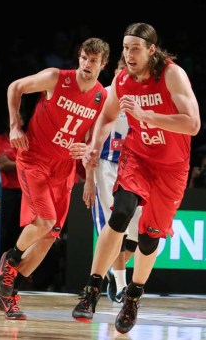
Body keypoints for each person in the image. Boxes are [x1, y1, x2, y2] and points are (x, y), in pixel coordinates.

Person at [72, 22, 201, 334]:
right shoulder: (122, 79)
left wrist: (147, 116)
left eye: (135, 48)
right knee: (120, 213)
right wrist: (95, 146)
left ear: (151, 50)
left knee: (148, 237)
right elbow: (105, 117)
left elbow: (193, 124)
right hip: (138, 158)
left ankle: (133, 295)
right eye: (126, 47)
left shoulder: (171, 74)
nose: (128, 54)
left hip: (171, 168)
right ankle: (91, 289)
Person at [0, 37, 111, 320]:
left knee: (49, 237)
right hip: (34, 159)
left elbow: (90, 140)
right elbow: (15, 87)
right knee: (43, 222)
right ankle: (9, 262)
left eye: (93, 60)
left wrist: (89, 165)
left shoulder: (101, 98)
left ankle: (8, 294)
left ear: (102, 64)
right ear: (79, 58)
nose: (87, 64)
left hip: (63, 169)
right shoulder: (56, 78)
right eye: (84, 57)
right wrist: (14, 126)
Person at [84, 58, 140, 304]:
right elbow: (89, 139)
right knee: (115, 229)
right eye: (120, 71)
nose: (123, 76)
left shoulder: (141, 99)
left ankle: (111, 269)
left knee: (140, 237)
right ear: (115, 73)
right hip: (106, 167)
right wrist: (88, 179)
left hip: (134, 169)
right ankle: (120, 284)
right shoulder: (104, 95)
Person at [0, 119, 22, 255]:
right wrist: (24, 164)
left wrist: (15, 163)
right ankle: (0, 264)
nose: (19, 121)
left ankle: (17, 269)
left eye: (21, 118)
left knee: (21, 232)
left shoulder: (25, 140)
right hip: (6, 192)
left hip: (24, 192)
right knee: (4, 231)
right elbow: (3, 165)